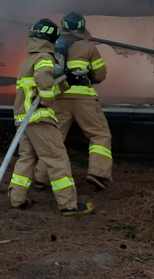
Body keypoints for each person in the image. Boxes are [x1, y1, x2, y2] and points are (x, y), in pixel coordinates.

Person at [8, 19, 91, 216]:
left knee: (27, 158)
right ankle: (68, 205)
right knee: (57, 158)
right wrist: (47, 100)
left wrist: (68, 79)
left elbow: (50, 83)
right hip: (39, 118)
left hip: (24, 118)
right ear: (52, 38)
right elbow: (45, 85)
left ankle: (17, 199)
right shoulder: (45, 57)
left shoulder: (28, 59)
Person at [34, 11, 111, 191]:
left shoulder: (52, 46)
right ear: (82, 27)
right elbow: (100, 74)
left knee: (55, 138)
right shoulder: (88, 47)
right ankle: (98, 173)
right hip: (84, 98)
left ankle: (41, 177)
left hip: (59, 97)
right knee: (99, 135)